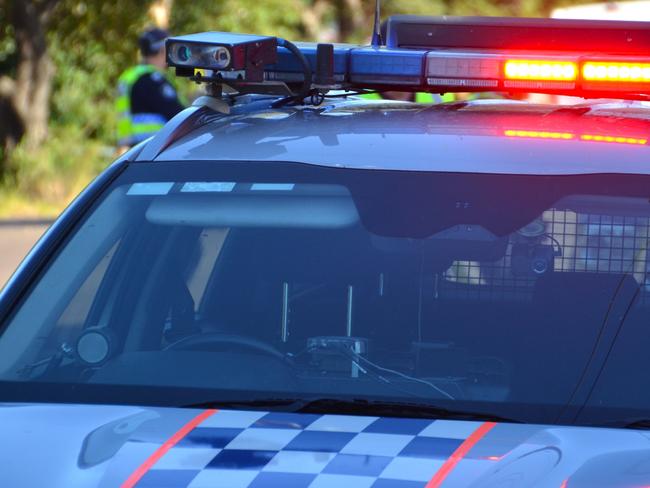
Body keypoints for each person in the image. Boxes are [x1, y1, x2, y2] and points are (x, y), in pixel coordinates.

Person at [116, 28, 185, 149]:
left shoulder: (130, 76)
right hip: (156, 147)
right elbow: (177, 114)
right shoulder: (153, 80)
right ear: (163, 49)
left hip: (134, 149)